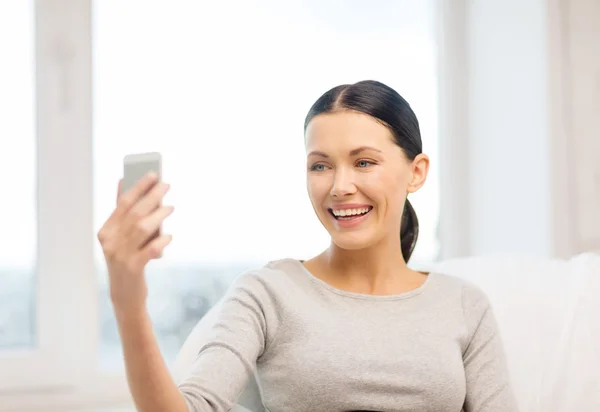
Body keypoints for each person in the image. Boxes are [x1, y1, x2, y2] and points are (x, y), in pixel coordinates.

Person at [97, 80, 518, 412]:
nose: (339, 187)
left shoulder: (463, 305)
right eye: (320, 165)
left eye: (364, 162)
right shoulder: (267, 293)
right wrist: (127, 301)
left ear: (416, 172)